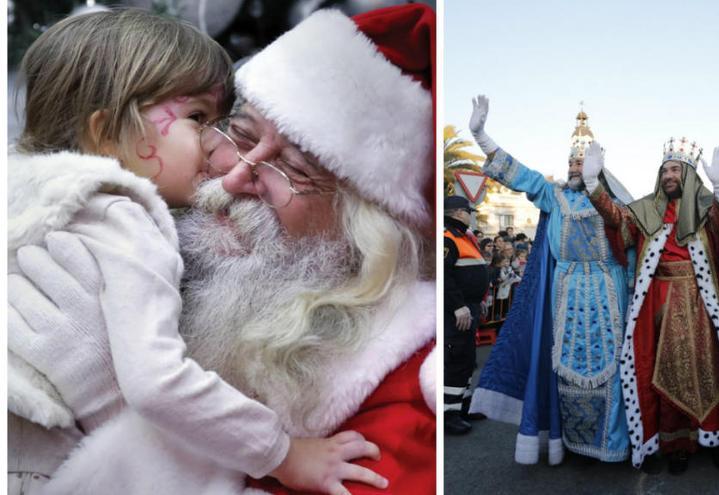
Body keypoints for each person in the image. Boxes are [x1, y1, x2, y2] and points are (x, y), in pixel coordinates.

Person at [10, 4, 436, 494]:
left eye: (294, 169)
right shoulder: (132, 221)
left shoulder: (402, 385)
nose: (234, 176)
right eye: (240, 133)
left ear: (365, 227)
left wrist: (105, 411)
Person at [468, 95, 634, 464]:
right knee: (564, 366)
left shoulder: (616, 199)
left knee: (611, 368)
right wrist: (482, 136)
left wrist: (595, 184)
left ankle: (611, 441)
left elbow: (625, 230)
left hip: (607, 289)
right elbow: (521, 174)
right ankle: (568, 440)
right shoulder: (554, 194)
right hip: (567, 288)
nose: (575, 166)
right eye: (572, 161)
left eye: (583, 162)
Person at [583, 138, 719, 474]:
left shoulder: (706, 207)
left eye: (675, 169)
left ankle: (716, 435)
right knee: (667, 372)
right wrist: (593, 185)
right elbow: (615, 218)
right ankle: (676, 444)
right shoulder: (645, 210)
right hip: (661, 306)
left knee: (712, 370)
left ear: (688, 174)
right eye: (665, 170)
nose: (669, 175)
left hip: (704, 305)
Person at [444, 195, 490, 435]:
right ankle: (449, 413)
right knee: (456, 359)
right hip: (456, 312)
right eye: (468, 211)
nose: (470, 215)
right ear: (459, 212)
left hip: (468, 307)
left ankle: (463, 405)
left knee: (467, 359)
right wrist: (458, 306)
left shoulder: (463, 236)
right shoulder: (447, 236)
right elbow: (445, 276)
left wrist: (478, 301)